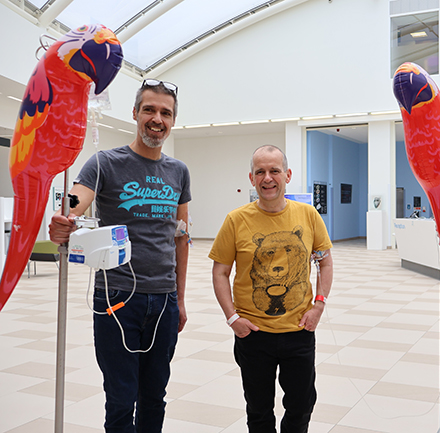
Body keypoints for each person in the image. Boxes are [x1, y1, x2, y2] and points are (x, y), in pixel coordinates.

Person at [49, 79, 191, 433]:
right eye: (149, 110)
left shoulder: (179, 172)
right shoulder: (104, 163)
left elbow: (182, 238)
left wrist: (181, 299)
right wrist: (65, 219)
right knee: (120, 397)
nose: (157, 119)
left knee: (155, 395)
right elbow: (76, 200)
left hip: (163, 300)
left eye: (165, 113)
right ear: (135, 113)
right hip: (116, 299)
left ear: (173, 120)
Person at [209, 145, 333, 433]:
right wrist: (232, 319)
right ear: (251, 178)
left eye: (274, 170)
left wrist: (319, 305)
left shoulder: (308, 216)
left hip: (299, 332)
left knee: (302, 406)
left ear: (287, 175)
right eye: (260, 172)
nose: (268, 178)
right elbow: (221, 272)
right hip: (254, 335)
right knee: (259, 411)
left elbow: (325, 264)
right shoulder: (236, 220)